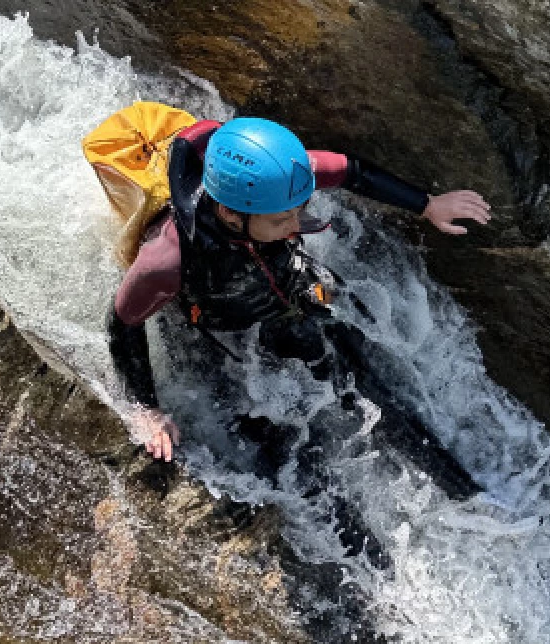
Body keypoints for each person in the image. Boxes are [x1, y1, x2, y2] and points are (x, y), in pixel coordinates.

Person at [107, 116, 491, 462]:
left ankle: (424, 452)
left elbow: (352, 171)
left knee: (354, 353)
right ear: (229, 212)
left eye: (299, 209)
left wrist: (427, 204)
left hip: (283, 282)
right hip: (219, 320)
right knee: (266, 435)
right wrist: (146, 409)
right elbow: (122, 323)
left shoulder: (283, 175)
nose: (295, 226)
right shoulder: (169, 258)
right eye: (281, 219)